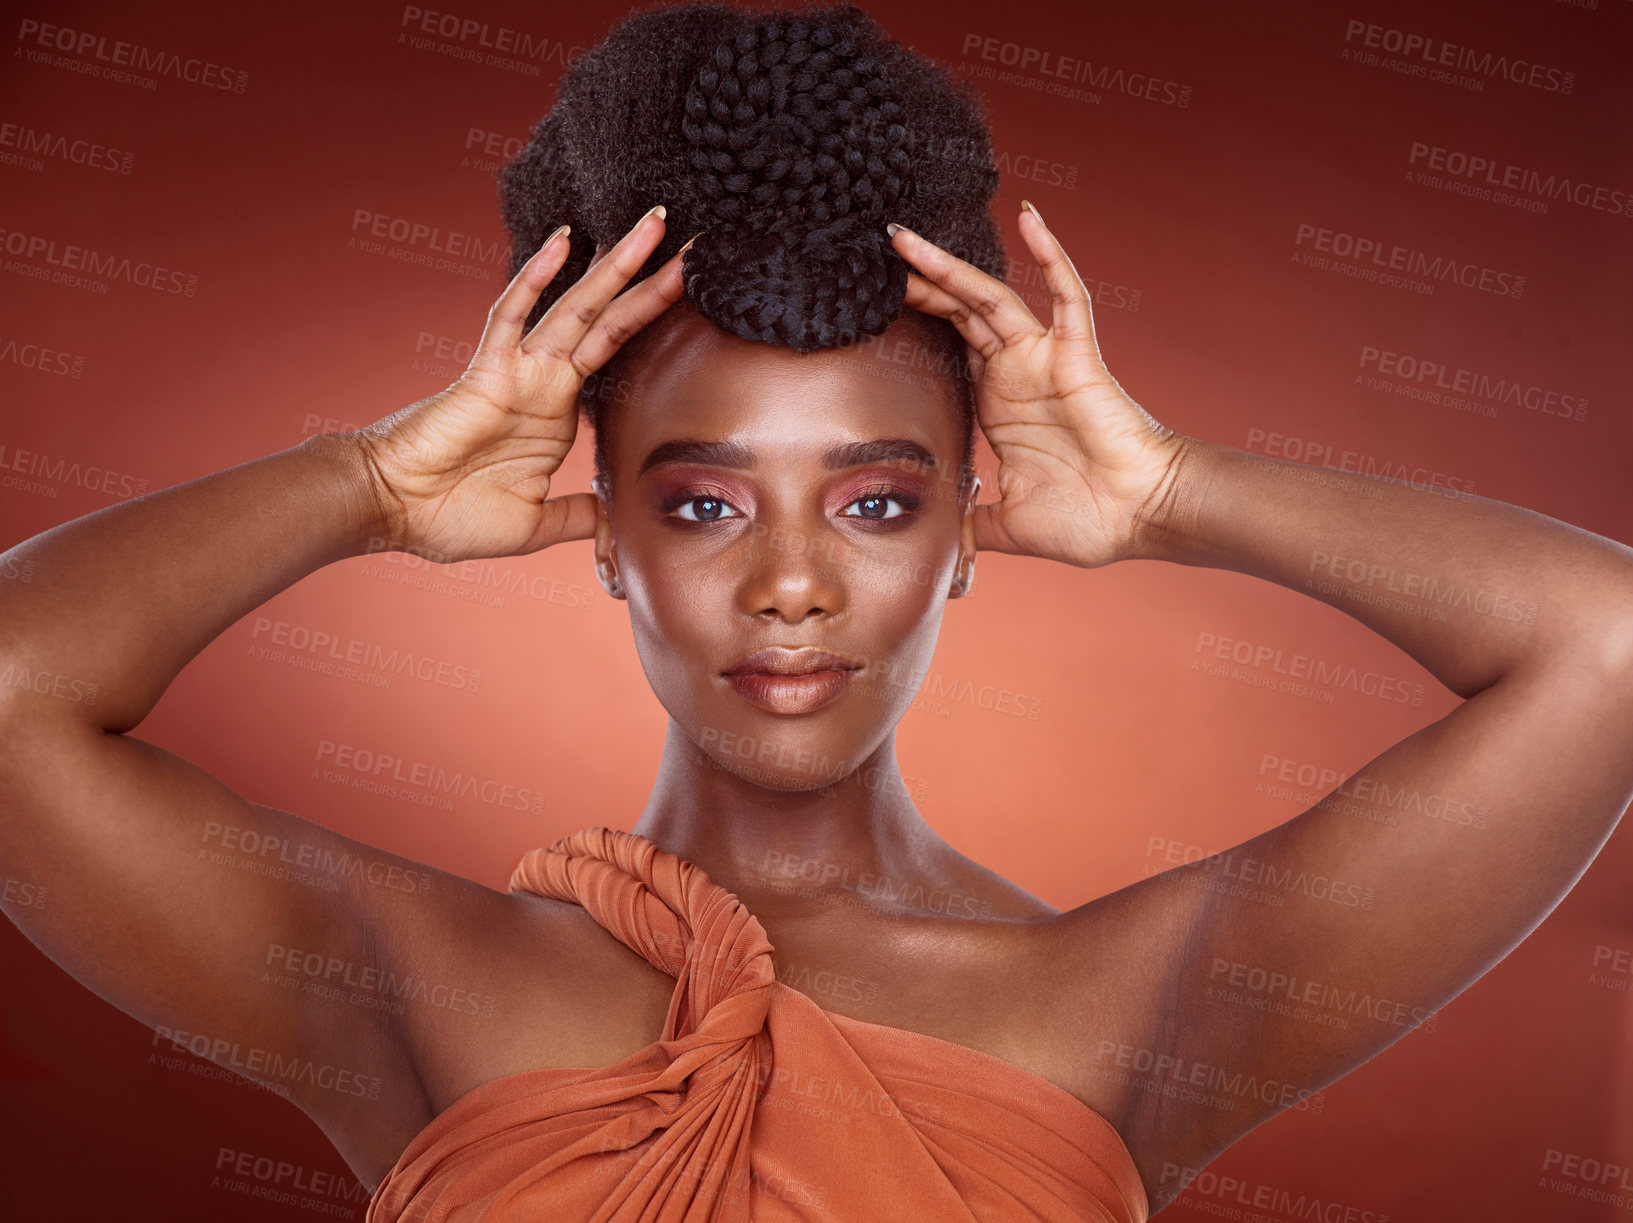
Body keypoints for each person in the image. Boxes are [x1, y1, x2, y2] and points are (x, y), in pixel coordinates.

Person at [2, 3, 1629, 1219]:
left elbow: (1603, 646)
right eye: (703, 502)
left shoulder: (1138, 1007)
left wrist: (1161, 494)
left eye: (876, 501)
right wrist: (367, 481)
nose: (789, 585)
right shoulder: (411, 980)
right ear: (606, 534)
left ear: (967, 535)